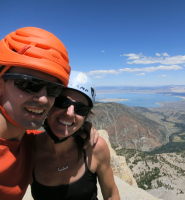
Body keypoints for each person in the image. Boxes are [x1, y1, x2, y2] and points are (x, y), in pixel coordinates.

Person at [0, 27, 97, 200]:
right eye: (30, 84)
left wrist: (81, 128)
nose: (44, 99)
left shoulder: (27, 142)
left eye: (54, 90)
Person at [31, 75, 120, 200]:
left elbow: (111, 195)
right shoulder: (28, 149)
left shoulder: (95, 148)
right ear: (50, 103)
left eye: (81, 109)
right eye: (62, 102)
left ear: (86, 117)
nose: (70, 113)